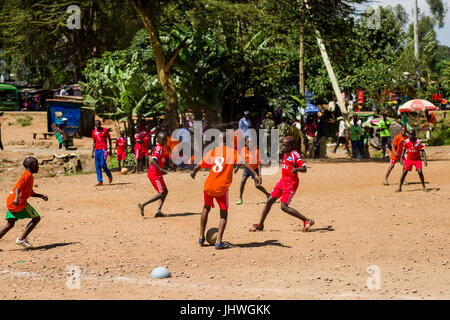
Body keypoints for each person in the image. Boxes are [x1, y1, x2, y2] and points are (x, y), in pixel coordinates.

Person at [190, 132, 261, 250]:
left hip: (208, 186)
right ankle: (218, 242)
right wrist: (255, 174)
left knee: (205, 208)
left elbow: (199, 165)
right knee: (223, 214)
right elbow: (244, 163)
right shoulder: (232, 152)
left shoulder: (213, 151)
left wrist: (193, 172)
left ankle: (201, 237)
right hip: (221, 188)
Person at [249, 136, 314, 233]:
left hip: (291, 183)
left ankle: (306, 220)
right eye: (283, 145)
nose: (283, 147)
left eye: (286, 145)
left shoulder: (295, 155)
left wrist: (296, 169)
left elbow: (304, 169)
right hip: (282, 181)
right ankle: (260, 225)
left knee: (284, 207)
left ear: (292, 146)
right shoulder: (286, 153)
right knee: (270, 200)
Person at [0, 157, 48, 249]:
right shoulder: (27, 175)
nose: (38, 167)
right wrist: (17, 199)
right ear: (33, 166)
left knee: (10, 224)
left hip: (11, 202)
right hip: (18, 203)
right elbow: (18, 187)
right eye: (37, 165)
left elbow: (30, 193)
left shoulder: (29, 176)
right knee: (36, 218)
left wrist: (41, 196)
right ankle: (22, 239)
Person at [138, 132, 169, 217]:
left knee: (165, 191)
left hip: (158, 173)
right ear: (157, 140)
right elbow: (152, 160)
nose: (164, 141)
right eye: (162, 140)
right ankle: (143, 204)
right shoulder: (158, 148)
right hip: (154, 173)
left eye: (165, 140)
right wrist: (160, 169)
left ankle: (158, 211)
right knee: (161, 193)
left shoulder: (162, 148)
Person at [235, 136, 270, 205]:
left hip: (255, 169)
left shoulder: (256, 151)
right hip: (247, 169)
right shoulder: (243, 150)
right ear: (245, 143)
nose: (250, 143)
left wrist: (259, 175)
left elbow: (259, 164)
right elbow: (241, 161)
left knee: (257, 186)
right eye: (248, 142)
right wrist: (237, 168)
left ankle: (268, 194)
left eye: (251, 142)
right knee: (243, 181)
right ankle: (240, 198)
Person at [91, 120, 113, 186]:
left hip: (103, 149)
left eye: (99, 124)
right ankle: (100, 181)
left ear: (101, 124)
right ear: (95, 125)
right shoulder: (94, 132)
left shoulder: (105, 130)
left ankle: (109, 175)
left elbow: (109, 139)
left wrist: (111, 149)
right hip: (97, 150)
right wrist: (92, 152)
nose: (98, 126)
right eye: (97, 125)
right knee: (97, 166)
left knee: (103, 164)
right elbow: (94, 142)